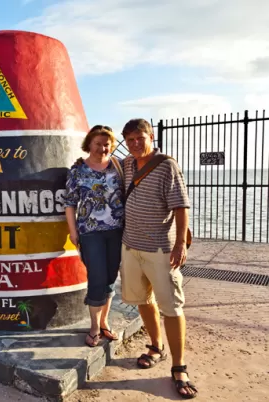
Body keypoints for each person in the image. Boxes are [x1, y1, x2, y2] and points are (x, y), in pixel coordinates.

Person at [120, 118, 198, 399]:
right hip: (131, 246)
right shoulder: (127, 164)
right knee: (143, 299)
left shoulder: (166, 165)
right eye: (129, 140)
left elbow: (181, 206)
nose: (135, 144)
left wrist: (180, 244)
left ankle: (179, 366)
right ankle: (156, 346)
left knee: (172, 307)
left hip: (161, 250)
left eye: (139, 138)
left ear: (151, 137)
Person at [65, 125, 125, 347]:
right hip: (90, 232)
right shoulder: (77, 170)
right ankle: (93, 327)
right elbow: (70, 203)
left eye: (107, 144)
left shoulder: (118, 166)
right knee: (97, 277)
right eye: (98, 143)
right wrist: (73, 232)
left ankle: (104, 322)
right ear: (89, 144)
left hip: (117, 231)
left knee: (110, 277)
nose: (103, 148)